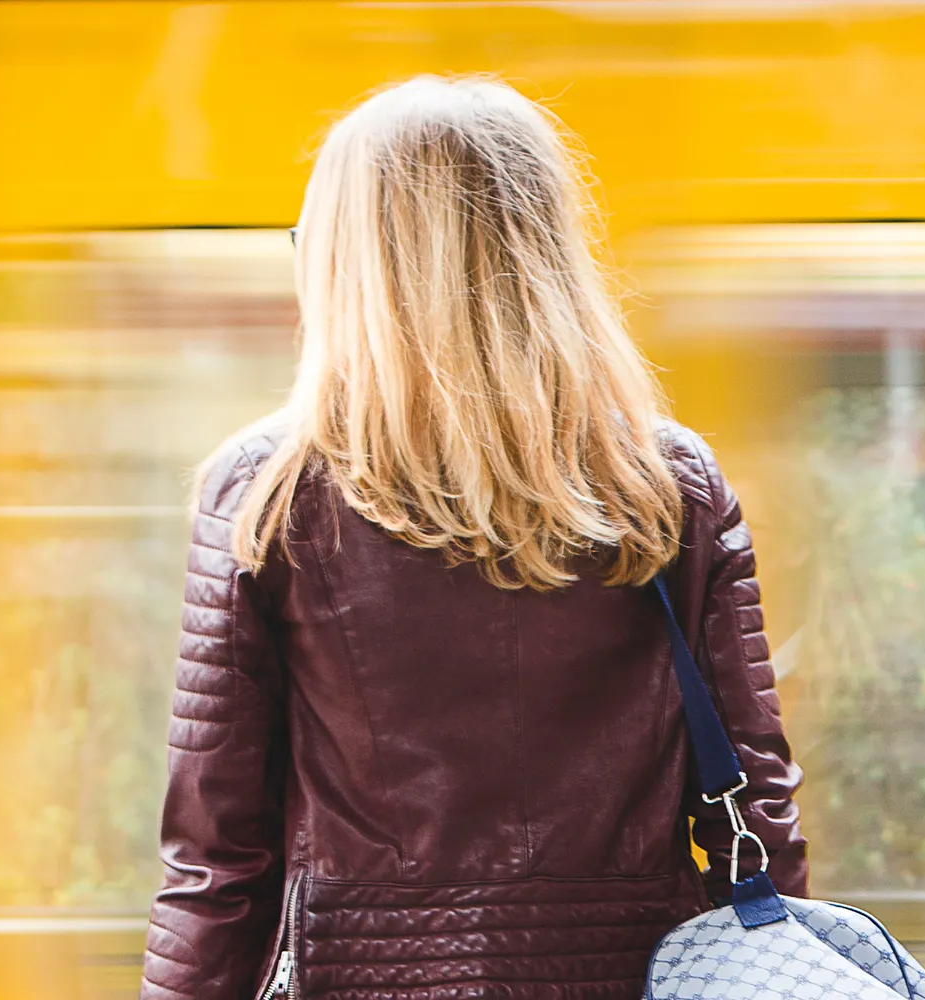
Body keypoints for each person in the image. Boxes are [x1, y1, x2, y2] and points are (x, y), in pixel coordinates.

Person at [139, 75, 805, 1000]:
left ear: (346, 264)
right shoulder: (666, 486)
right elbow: (755, 810)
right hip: (630, 973)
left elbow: (216, 864)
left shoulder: (267, 492)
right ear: (547, 255)